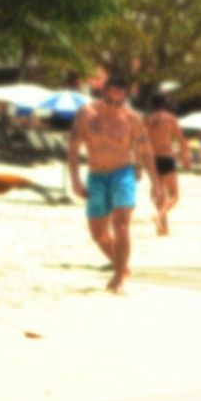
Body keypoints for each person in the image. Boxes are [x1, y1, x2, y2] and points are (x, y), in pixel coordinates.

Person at [67, 74, 155, 294]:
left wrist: (156, 183)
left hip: (123, 174)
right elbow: (73, 148)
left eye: (120, 101)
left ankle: (118, 278)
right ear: (102, 93)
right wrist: (75, 180)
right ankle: (122, 266)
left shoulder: (131, 119)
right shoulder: (86, 114)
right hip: (96, 176)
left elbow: (145, 150)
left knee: (122, 225)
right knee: (98, 234)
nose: (115, 106)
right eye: (110, 100)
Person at [144, 94, 190, 237]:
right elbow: (181, 139)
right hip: (166, 158)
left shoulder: (147, 120)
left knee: (158, 194)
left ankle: (163, 228)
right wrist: (185, 157)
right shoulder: (170, 118)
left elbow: (141, 142)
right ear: (165, 104)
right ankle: (159, 216)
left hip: (152, 160)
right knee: (174, 195)